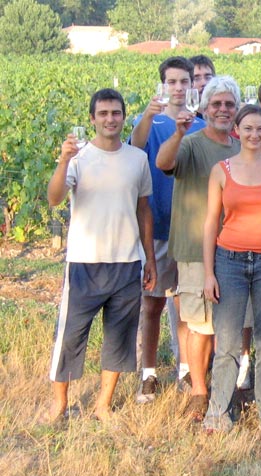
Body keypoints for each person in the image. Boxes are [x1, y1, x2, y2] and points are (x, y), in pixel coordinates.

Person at [46, 88, 156, 422]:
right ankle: (59, 405)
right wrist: (64, 160)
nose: (110, 119)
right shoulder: (78, 157)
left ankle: (103, 405)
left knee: (119, 338)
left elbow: (144, 211)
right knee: (70, 336)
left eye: (116, 113)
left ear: (124, 116)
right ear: (92, 118)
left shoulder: (137, 159)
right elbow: (53, 198)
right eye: (103, 113)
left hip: (126, 262)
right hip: (83, 262)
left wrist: (149, 258)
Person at [201, 105, 261, 432]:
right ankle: (217, 414)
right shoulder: (221, 170)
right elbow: (211, 222)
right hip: (229, 261)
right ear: (236, 131)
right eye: (248, 129)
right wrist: (208, 272)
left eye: (260, 129)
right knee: (226, 344)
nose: (254, 135)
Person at [156, 76, 241, 422]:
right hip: (194, 247)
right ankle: (198, 391)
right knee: (199, 324)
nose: (222, 110)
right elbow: (163, 164)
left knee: (231, 325)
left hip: (233, 246)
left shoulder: (240, 148)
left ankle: (226, 388)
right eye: (216, 104)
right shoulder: (190, 143)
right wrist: (177, 133)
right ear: (205, 108)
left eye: (229, 104)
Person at [130, 56, 205, 402]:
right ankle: (147, 373)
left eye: (183, 81)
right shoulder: (151, 120)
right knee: (153, 303)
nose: (178, 87)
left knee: (185, 305)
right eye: (172, 81)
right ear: (162, 85)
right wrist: (146, 114)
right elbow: (133, 148)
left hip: (190, 229)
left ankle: (186, 368)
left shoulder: (200, 122)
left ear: (192, 84)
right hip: (159, 225)